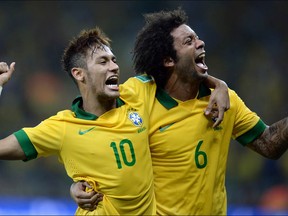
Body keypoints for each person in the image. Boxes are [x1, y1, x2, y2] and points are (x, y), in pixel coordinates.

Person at [70, 8, 288, 215]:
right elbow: (93, 122)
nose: (201, 43)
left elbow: (269, 144)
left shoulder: (223, 100)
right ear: (168, 60)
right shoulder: (140, 94)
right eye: (189, 41)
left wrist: (219, 85)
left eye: (197, 38)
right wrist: (80, 181)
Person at [0, 26, 229, 214]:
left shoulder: (137, 93)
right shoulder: (60, 128)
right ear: (79, 74)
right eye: (103, 62)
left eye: (113, 60)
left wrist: (218, 85)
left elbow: (182, 69)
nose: (114, 66)